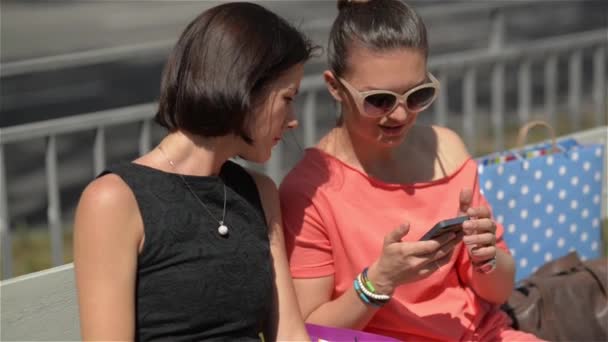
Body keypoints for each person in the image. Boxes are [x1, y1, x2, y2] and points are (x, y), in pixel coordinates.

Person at [279, 0, 542, 341]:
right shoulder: (308, 189)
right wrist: (378, 282)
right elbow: (309, 330)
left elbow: (497, 293)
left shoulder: (446, 149)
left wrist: (486, 257)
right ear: (335, 88)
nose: (401, 115)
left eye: (418, 95)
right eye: (379, 100)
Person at [73, 2, 318, 341]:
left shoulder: (259, 192)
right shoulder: (115, 200)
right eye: (287, 97)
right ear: (247, 88)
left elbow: (289, 334)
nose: (293, 120)